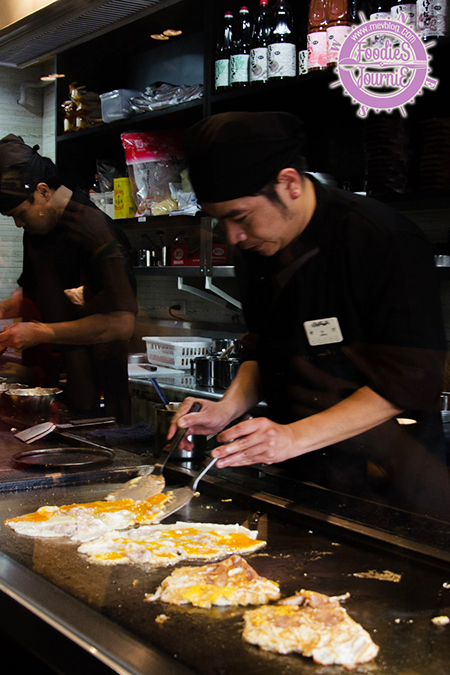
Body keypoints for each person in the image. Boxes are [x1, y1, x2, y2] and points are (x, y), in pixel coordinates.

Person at [168, 111, 450, 515]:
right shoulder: (256, 248)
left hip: (391, 480)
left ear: (289, 184)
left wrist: (293, 437)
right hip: (300, 479)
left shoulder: (383, 239)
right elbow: (264, 346)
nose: (232, 236)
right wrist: (227, 409)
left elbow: (410, 380)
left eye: (240, 217)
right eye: (220, 221)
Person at [0, 134, 138, 422]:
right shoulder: (37, 231)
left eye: (20, 213)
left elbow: (121, 323)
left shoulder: (96, 231)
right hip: (53, 394)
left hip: (99, 404)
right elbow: (35, 297)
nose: (18, 223)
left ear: (43, 191)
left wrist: (43, 333)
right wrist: (6, 311)